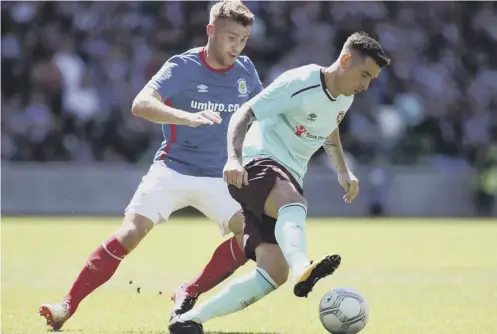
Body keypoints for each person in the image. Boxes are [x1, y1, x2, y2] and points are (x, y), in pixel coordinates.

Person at [39, 1, 263, 330]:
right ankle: (66, 306)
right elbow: (140, 104)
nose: (237, 46)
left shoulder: (245, 70)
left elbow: (259, 113)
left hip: (219, 176)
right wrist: (186, 117)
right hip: (172, 169)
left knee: (253, 237)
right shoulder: (182, 66)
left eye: (243, 39)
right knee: (131, 232)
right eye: (231, 37)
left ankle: (189, 291)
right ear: (211, 31)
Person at [169, 31, 390, 334]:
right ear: (346, 59)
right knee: (294, 203)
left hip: (285, 176)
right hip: (256, 163)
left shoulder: (345, 97)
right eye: (364, 74)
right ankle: (304, 270)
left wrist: (343, 170)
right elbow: (244, 114)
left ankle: (190, 320)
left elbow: (330, 126)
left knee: (273, 272)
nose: (366, 85)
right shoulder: (300, 81)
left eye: (371, 79)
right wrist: (233, 159)